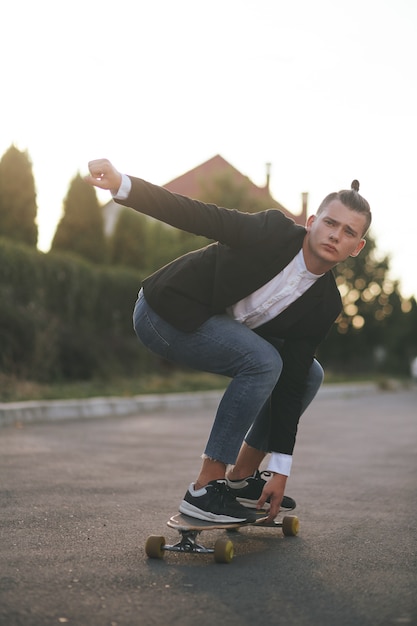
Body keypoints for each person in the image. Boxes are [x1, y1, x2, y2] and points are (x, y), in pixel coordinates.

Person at [85, 159, 372, 524]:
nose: (335, 235)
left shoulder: (325, 303)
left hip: (214, 324)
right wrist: (124, 185)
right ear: (312, 223)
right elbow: (201, 216)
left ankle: (241, 479)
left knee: (309, 374)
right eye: (330, 223)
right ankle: (205, 488)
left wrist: (282, 467)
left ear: (357, 247)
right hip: (163, 313)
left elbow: (293, 383)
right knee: (264, 360)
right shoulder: (271, 231)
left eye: (348, 232)